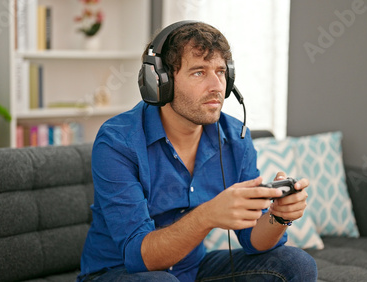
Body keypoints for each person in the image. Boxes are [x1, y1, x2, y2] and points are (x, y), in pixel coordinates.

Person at [78, 21, 318, 282]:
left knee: (296, 263)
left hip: (192, 270)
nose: (217, 86)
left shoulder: (236, 137)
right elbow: (140, 257)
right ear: (160, 81)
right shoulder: (117, 141)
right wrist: (208, 215)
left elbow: (253, 240)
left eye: (221, 72)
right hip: (119, 272)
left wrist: (278, 217)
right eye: (199, 73)